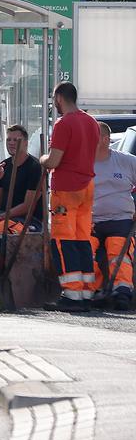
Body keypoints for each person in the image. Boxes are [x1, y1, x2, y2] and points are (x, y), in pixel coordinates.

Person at [40, 81, 98, 310]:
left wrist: (42, 159)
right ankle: (85, 293)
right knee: (82, 239)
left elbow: (54, 160)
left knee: (63, 240)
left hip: (67, 188)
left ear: (59, 98)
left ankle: (72, 294)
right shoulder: (91, 122)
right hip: (87, 186)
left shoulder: (64, 124)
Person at [89, 122, 135, 310]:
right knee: (86, 249)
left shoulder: (125, 161)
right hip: (92, 220)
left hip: (120, 219)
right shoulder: (83, 163)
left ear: (106, 140)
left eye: (94, 136)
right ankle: (93, 289)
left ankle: (122, 291)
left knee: (118, 249)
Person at [0, 124, 46, 232]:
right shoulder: (3, 166)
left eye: (16, 140)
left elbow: (27, 206)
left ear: (26, 143)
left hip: (28, 220)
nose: (12, 143)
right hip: (3, 216)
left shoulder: (35, 168)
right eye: (9, 140)